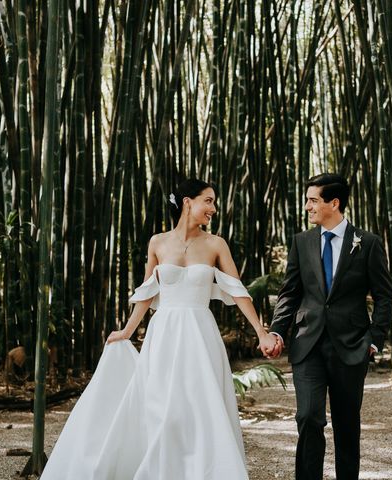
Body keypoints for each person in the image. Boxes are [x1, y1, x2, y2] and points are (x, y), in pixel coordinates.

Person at [40, 179, 279, 479]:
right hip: (163, 334)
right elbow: (147, 292)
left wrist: (261, 331)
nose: (213, 208)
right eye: (208, 201)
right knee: (163, 408)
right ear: (187, 202)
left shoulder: (216, 244)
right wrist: (126, 332)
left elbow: (238, 290)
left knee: (199, 407)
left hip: (199, 335)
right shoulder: (158, 242)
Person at [268, 173, 392, 480]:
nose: (308, 207)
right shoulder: (301, 242)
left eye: (313, 200)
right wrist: (276, 331)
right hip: (307, 343)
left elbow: (384, 296)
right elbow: (291, 292)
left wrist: (374, 340)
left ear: (333, 203)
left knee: (347, 425)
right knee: (308, 417)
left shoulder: (368, 243)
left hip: (351, 346)